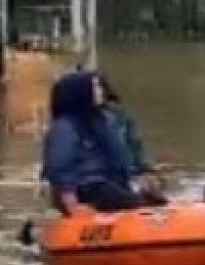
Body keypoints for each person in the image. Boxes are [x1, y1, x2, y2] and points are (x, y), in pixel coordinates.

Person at [41, 72, 149, 215]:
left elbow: (122, 156)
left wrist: (137, 177)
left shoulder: (104, 120)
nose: (100, 91)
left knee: (152, 200)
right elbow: (60, 166)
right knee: (136, 204)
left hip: (109, 183)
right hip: (87, 187)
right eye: (95, 87)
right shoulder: (65, 127)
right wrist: (71, 202)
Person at [96, 74, 168, 205]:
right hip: (106, 180)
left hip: (128, 174)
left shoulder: (120, 115)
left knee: (154, 193)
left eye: (98, 87)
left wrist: (145, 170)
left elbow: (135, 146)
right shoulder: (78, 124)